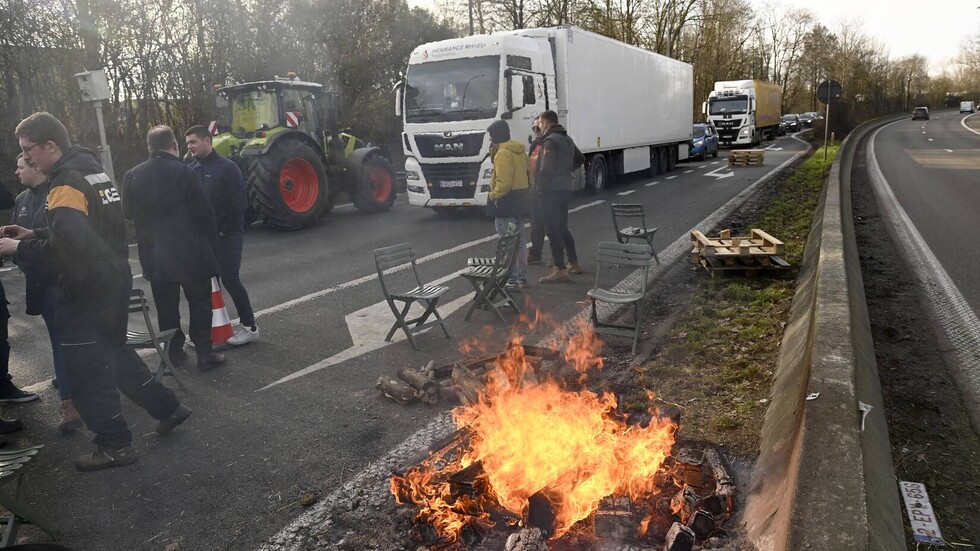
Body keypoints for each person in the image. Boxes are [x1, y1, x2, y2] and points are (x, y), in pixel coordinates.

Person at [2, 112, 192, 471]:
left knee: (87, 371)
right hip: (111, 278)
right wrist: (34, 234)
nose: (26, 158)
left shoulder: (65, 182)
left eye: (29, 151)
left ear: (50, 146)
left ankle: (115, 446)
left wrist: (18, 250)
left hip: (86, 287)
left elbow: (70, 250)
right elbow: (87, 233)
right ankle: (169, 407)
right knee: (114, 353)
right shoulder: (90, 167)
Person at [122, 126, 225, 371]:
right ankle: (204, 353)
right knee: (199, 304)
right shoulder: (185, 173)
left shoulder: (132, 175)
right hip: (190, 252)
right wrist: (211, 245)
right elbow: (204, 213)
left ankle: (174, 353)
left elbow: (127, 212)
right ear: (174, 146)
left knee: (166, 307)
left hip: (155, 254)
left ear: (149, 147)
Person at [11, 154, 79, 430]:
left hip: (65, 280)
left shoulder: (58, 192)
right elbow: (20, 242)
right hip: (40, 282)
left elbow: (64, 242)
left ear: (36, 168)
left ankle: (70, 401)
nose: (16, 171)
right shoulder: (21, 200)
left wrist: (25, 250)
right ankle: (69, 384)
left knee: (66, 341)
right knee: (60, 340)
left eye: (21, 166)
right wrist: (20, 256)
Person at [184, 126, 259, 346]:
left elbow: (239, 204)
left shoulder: (227, 168)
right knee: (207, 283)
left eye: (194, 142)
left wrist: (225, 230)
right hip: (204, 238)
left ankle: (250, 327)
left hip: (228, 235)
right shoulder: (193, 168)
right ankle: (207, 331)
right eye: (187, 143)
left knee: (229, 278)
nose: (190, 146)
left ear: (207, 141)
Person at [534, 110, 585, 284]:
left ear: (546, 124)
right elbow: (580, 158)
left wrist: (540, 189)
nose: (538, 125)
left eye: (540, 122)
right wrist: (565, 172)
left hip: (551, 191)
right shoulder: (566, 139)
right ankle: (573, 262)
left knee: (551, 229)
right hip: (564, 188)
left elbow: (546, 169)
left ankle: (560, 269)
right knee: (562, 226)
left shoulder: (550, 141)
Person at [485, 120, 531, 289]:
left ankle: (512, 278)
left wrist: (493, 195)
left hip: (505, 202)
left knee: (507, 242)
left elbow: (504, 182)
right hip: (520, 198)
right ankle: (522, 277)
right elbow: (529, 175)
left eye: (491, 136)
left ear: (496, 135)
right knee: (520, 241)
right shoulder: (520, 151)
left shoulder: (503, 153)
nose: (490, 140)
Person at [526, 117, 546, 265]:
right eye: (534, 129)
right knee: (536, 224)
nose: (536, 131)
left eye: (537, 128)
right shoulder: (534, 145)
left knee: (553, 225)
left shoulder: (551, 143)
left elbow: (576, 158)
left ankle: (560, 258)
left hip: (548, 191)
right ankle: (536, 252)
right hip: (534, 191)